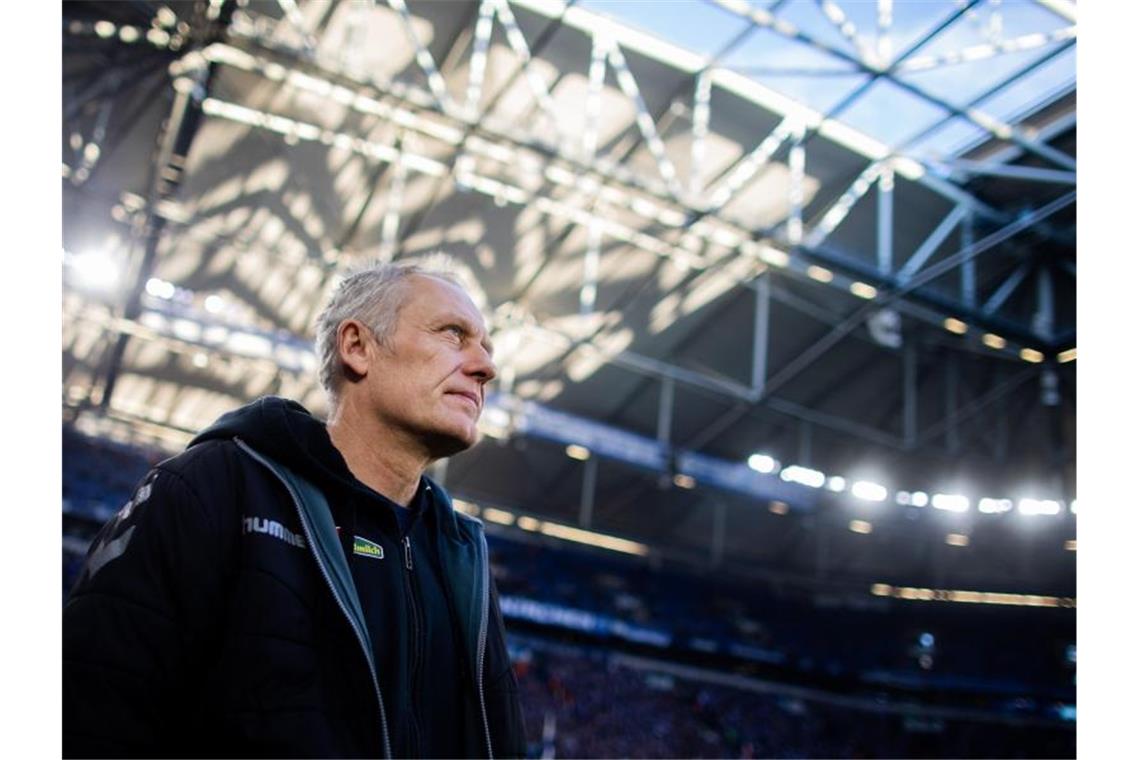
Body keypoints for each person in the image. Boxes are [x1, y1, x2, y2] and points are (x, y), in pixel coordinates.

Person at [63, 262, 527, 758]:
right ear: (357, 346)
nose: (485, 367)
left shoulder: (465, 558)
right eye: (453, 334)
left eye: (486, 348)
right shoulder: (215, 487)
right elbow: (91, 713)